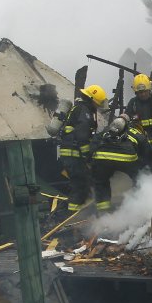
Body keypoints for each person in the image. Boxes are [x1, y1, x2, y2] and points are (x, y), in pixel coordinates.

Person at [90, 113, 152, 212]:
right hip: (127, 158)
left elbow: (93, 144)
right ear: (128, 123)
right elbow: (148, 150)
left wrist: (92, 161)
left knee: (101, 182)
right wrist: (149, 164)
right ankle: (138, 207)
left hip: (102, 158)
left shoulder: (105, 131)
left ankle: (103, 212)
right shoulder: (134, 132)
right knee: (139, 178)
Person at [57, 84, 106, 212]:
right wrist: (87, 156)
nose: (98, 106)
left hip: (71, 154)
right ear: (92, 100)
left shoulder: (81, 108)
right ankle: (73, 217)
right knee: (80, 186)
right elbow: (82, 136)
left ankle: (75, 213)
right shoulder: (85, 112)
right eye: (97, 103)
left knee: (80, 184)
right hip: (74, 155)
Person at [124, 73, 152, 150]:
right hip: (142, 145)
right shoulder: (133, 103)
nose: (143, 94)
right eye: (140, 92)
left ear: (149, 89)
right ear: (135, 92)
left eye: (145, 91)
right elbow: (127, 115)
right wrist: (122, 119)